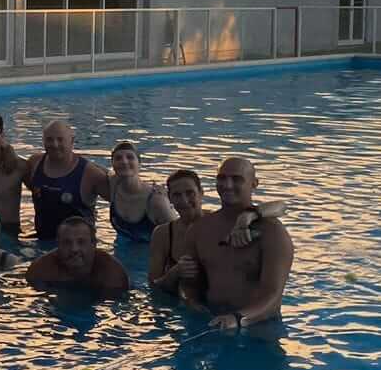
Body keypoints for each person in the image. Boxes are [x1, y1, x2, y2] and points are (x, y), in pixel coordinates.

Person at [189, 157, 295, 330]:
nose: (227, 185)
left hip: (259, 328)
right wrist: (191, 302)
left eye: (237, 179)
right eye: (222, 178)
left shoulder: (273, 232)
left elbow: (273, 298)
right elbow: (190, 286)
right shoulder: (200, 229)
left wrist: (238, 319)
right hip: (210, 322)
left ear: (254, 184)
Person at [25, 120, 111, 241]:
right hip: (42, 242)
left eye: (60, 139)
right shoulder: (34, 163)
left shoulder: (90, 173)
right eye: (49, 139)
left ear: (72, 141)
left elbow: (119, 199)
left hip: (79, 248)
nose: (55, 144)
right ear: (43, 141)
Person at [25, 214, 130, 297]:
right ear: (58, 244)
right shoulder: (40, 270)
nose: (74, 249)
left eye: (81, 242)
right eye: (67, 242)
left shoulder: (111, 272)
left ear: (93, 244)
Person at [148, 168, 205, 302]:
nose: (184, 200)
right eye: (177, 195)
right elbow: (153, 287)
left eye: (190, 193)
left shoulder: (219, 225)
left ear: (201, 193)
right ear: (170, 198)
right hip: (176, 308)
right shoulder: (162, 234)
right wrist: (175, 273)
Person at [106, 141, 177, 242]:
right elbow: (96, 168)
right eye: (118, 158)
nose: (124, 161)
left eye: (130, 157)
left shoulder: (156, 201)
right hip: (119, 254)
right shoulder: (113, 184)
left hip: (151, 256)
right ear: (113, 164)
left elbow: (180, 235)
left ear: (139, 164)